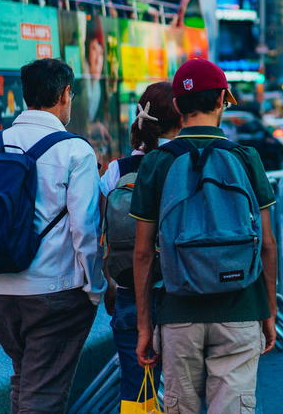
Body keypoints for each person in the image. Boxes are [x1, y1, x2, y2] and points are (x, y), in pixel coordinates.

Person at [131, 59, 278, 412]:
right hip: (241, 307)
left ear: (178, 106)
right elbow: (268, 245)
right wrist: (268, 312)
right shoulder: (245, 157)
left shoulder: (157, 162)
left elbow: (142, 253)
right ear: (224, 100)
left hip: (178, 310)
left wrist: (144, 326)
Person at [0, 58, 105, 413]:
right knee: (43, 393)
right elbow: (85, 230)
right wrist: (94, 288)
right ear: (65, 94)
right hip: (54, 291)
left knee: (25, 378)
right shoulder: (75, 150)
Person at [101, 82, 180, 408]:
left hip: (130, 288)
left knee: (136, 387)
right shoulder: (185, 161)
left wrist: (106, 282)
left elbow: (100, 232)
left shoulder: (118, 169)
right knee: (184, 386)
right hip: (182, 290)